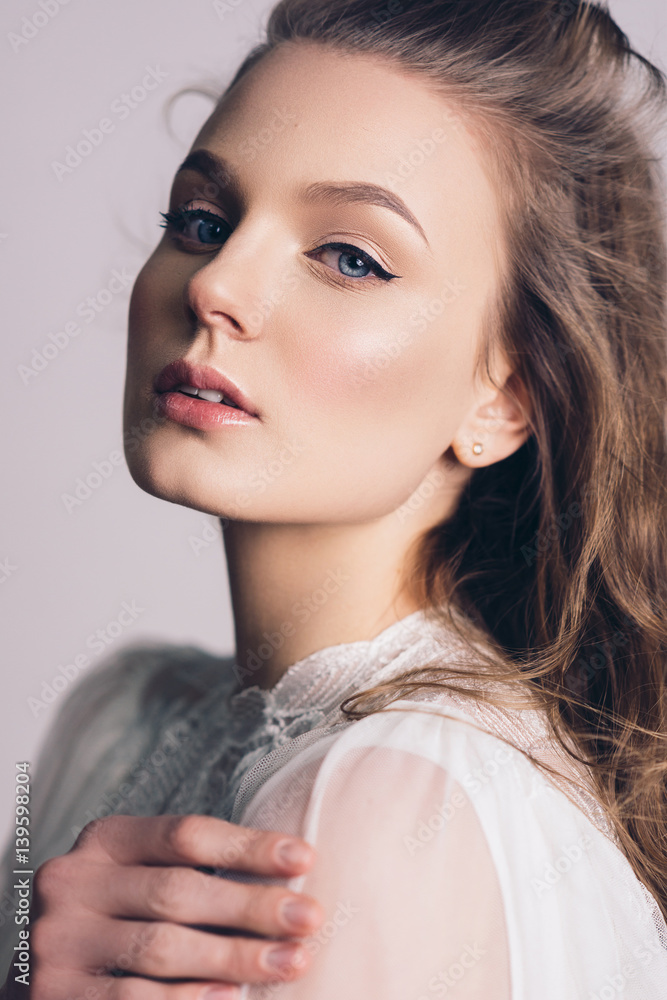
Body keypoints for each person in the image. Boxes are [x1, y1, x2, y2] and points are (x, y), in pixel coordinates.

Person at [2, 0, 667, 996]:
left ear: (507, 395)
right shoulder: (127, 716)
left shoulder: (388, 792)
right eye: (201, 220)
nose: (217, 283)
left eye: (349, 256)